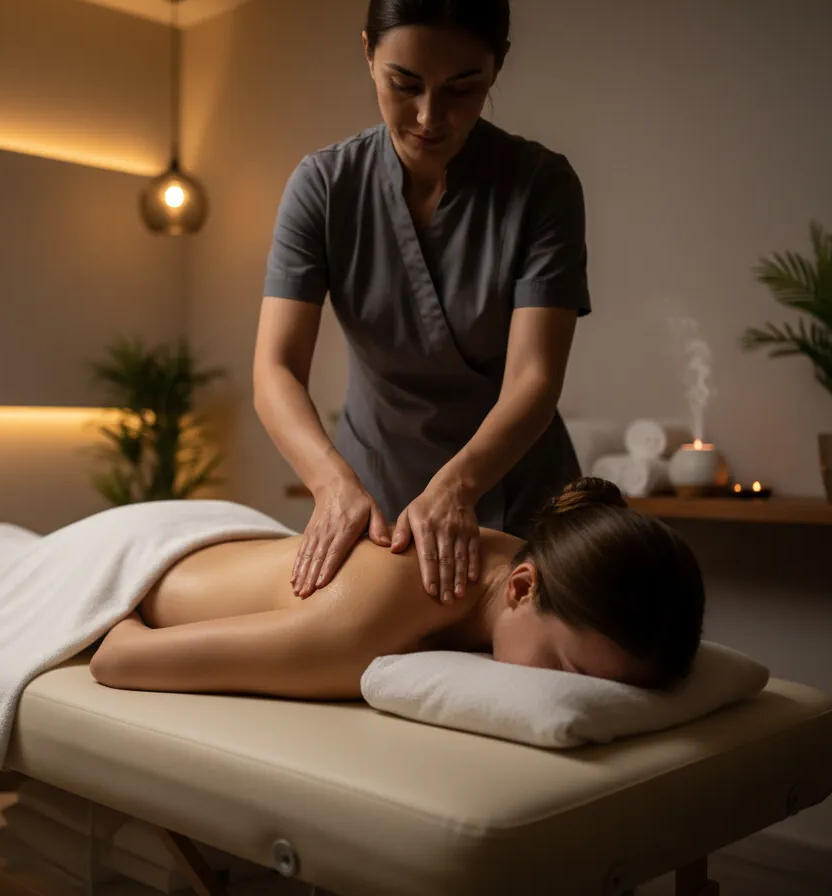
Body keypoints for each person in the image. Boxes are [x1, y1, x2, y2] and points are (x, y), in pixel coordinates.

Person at [252, 0, 591, 609]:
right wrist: (331, 485)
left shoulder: (541, 186)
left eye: (464, 89)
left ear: (497, 67)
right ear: (368, 54)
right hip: (372, 494)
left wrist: (460, 485)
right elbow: (274, 369)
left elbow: (535, 377)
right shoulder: (325, 186)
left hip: (517, 485)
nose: (429, 117)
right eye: (403, 84)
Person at [90, 479, 706, 700]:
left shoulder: (513, 556)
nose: (580, 702)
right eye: (566, 673)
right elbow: (117, 659)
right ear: (522, 587)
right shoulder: (362, 628)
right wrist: (107, 602)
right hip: (134, 556)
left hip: (226, 538)